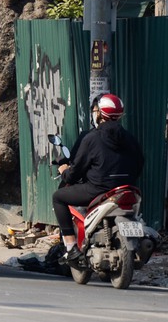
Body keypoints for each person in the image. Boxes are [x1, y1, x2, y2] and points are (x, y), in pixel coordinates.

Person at [47, 92, 145, 265]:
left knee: (58, 197)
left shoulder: (91, 138)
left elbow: (76, 171)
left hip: (98, 190)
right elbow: (139, 163)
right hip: (126, 189)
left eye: (95, 109)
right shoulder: (130, 138)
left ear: (99, 113)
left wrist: (64, 172)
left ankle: (70, 248)